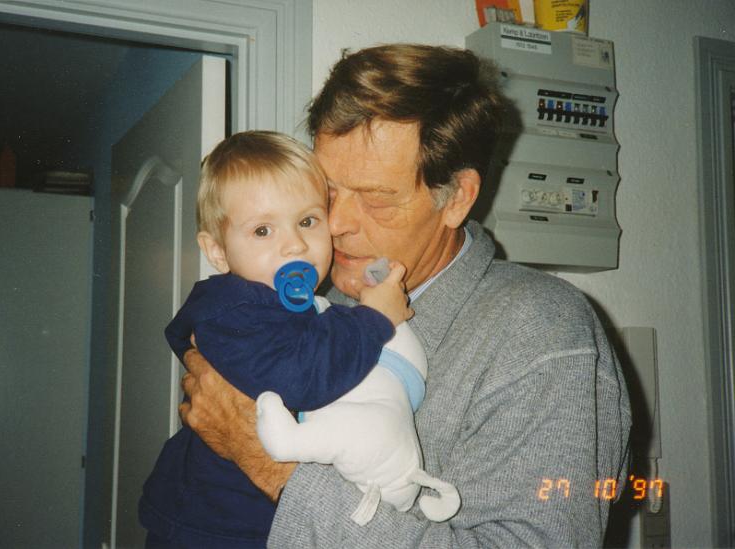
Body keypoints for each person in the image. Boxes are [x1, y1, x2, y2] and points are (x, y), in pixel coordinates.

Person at [179, 44, 632, 547]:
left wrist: (273, 468)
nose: (337, 224)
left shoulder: (544, 332)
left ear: (456, 197)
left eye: (376, 199)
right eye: (327, 193)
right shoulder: (316, 300)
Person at [139, 130, 437, 548]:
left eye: (308, 221)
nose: (295, 244)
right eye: (263, 230)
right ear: (218, 251)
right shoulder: (231, 312)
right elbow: (302, 378)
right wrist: (375, 318)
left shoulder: (293, 305)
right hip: (208, 526)